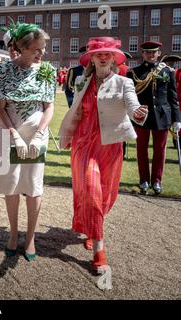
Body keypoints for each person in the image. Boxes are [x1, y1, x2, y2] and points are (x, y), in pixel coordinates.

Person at [59, 37, 148, 273]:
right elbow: (74, 108)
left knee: (105, 194)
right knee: (90, 188)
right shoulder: (81, 80)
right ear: (91, 57)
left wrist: (138, 113)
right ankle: (99, 247)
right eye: (98, 52)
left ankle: (92, 226)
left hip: (109, 145)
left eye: (107, 52)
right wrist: (67, 135)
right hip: (83, 143)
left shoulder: (122, 82)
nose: (103, 56)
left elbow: (132, 105)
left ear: (114, 57)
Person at [0, 22, 55, 262]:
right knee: (12, 183)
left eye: (43, 48)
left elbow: (49, 107)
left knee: (34, 185)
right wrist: (14, 135)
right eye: (37, 49)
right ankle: (14, 233)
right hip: (9, 134)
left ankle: (31, 236)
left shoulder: (46, 70)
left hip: (36, 135)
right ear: (23, 47)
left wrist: (37, 134)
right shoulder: (5, 70)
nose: (41, 53)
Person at [126, 41, 181, 195]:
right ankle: (143, 179)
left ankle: (157, 181)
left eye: (154, 52)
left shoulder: (167, 71)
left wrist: (177, 119)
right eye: (148, 52)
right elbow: (130, 97)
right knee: (141, 149)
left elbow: (173, 97)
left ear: (158, 53)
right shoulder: (133, 72)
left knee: (160, 150)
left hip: (162, 115)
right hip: (141, 116)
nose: (151, 55)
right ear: (143, 54)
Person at [161, 54, 181, 147]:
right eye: (170, 62)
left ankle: (176, 142)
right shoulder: (171, 72)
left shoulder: (175, 72)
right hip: (172, 101)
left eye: (174, 62)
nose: (172, 64)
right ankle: (176, 142)